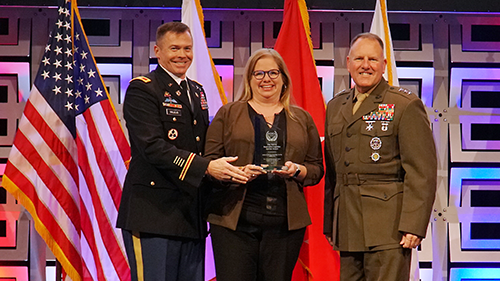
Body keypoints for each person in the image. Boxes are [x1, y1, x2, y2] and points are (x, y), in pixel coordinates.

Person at [116, 22, 248, 281]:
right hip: (153, 214)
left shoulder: (197, 91)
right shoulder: (143, 88)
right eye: (174, 48)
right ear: (158, 51)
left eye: (187, 48)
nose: (182, 55)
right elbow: (151, 146)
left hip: (190, 214)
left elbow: (203, 144)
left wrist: (233, 167)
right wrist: (207, 167)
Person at [323, 33, 437, 281]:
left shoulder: (404, 105)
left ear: (384, 64)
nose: (366, 65)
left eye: (373, 59)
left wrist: (413, 225)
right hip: (347, 225)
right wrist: (331, 221)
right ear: (348, 62)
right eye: (359, 58)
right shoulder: (335, 106)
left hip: (388, 227)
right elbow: (332, 172)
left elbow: (422, 171)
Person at [204, 48, 324, 281]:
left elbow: (316, 168)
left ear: (284, 79)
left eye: (273, 73)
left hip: (284, 226)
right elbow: (209, 163)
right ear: (249, 79)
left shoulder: (302, 118)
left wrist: (298, 170)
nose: (266, 79)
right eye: (259, 74)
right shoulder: (228, 113)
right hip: (233, 223)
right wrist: (235, 173)